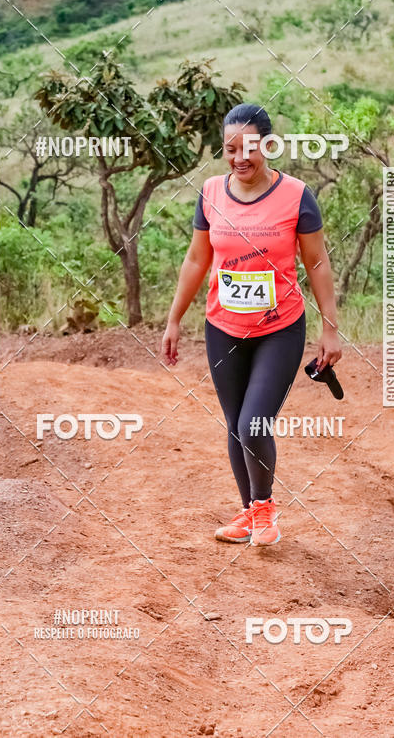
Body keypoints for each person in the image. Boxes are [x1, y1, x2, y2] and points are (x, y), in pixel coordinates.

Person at [161, 103, 342, 547]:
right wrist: (174, 318)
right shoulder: (210, 192)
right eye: (230, 149)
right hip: (223, 328)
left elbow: (317, 262)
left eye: (250, 148)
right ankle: (248, 514)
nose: (240, 158)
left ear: (269, 146)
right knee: (234, 424)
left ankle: (264, 510)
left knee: (253, 424)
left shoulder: (296, 196)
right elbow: (196, 259)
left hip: (280, 329)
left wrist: (330, 328)